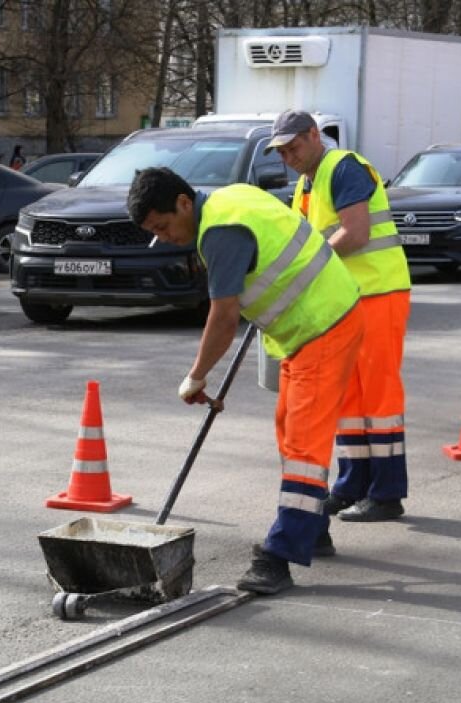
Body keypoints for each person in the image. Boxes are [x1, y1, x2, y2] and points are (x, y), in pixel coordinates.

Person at [127, 167, 364, 595]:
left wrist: (196, 377)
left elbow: (223, 317)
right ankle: (311, 528)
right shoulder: (230, 197)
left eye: (163, 226)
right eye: (154, 233)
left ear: (184, 203)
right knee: (291, 435)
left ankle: (281, 554)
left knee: (304, 447)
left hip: (323, 325)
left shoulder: (220, 231)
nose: (164, 237)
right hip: (309, 326)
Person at [267, 109, 412, 537]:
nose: (288, 157)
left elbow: (357, 232)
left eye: (293, 147)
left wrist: (308, 271)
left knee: (378, 395)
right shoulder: (307, 183)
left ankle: (386, 493)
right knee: (349, 396)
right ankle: (353, 484)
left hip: (379, 293)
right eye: (281, 152)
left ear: (315, 135)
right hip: (348, 300)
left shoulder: (343, 166)